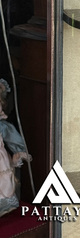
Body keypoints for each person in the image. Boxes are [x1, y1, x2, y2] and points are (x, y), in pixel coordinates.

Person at [0, 79, 31, 217]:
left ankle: (4, 203)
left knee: (4, 181)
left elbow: (13, 138)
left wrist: (20, 151)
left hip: (1, 160)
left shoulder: (2, 127)